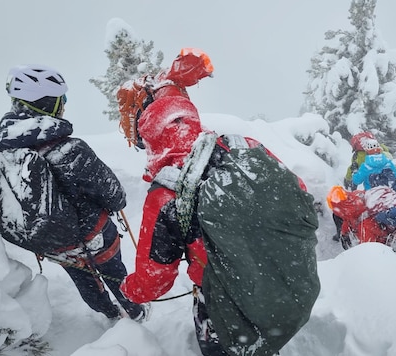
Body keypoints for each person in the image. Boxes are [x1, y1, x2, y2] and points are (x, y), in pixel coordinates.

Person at [119, 87, 318, 355]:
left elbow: (156, 279)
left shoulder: (166, 192)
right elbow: (298, 189)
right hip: (276, 272)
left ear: (152, 140)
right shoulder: (245, 145)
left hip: (224, 298)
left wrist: (130, 290)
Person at [0, 65, 147, 322]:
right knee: (116, 274)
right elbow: (114, 195)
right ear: (47, 103)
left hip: (52, 242)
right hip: (94, 236)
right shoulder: (69, 150)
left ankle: (110, 313)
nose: (64, 105)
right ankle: (135, 312)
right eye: (62, 99)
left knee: (85, 283)